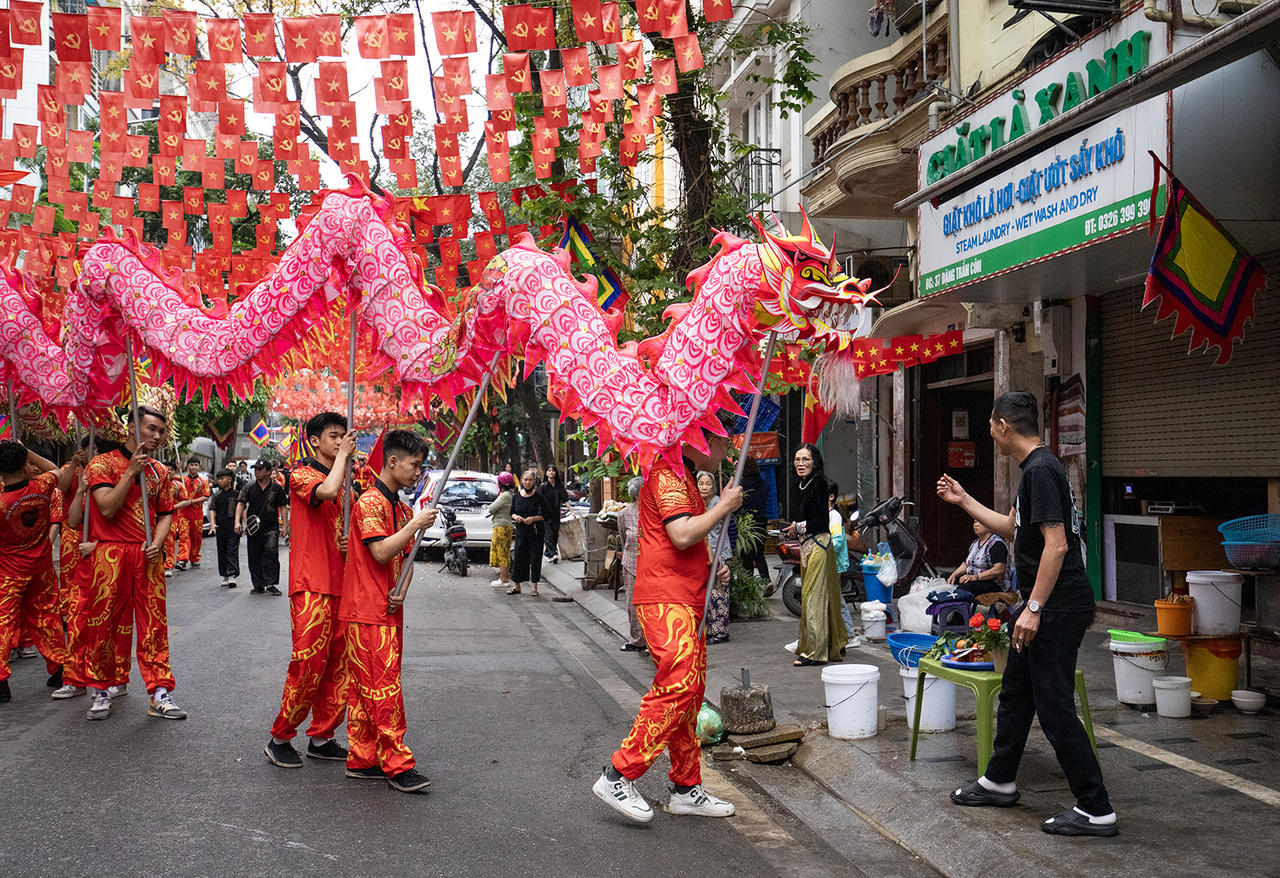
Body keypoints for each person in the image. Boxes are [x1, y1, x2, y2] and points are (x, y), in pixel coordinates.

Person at [937, 390, 1116, 837]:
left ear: (1003, 426)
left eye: (991, 426)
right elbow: (1011, 528)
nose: (990, 433)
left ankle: (1096, 807)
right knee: (1017, 692)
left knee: (1054, 706)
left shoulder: (1040, 471)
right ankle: (999, 781)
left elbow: (1057, 546)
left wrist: (1033, 608)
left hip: (1057, 605)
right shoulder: (1035, 468)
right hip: (1043, 603)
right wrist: (964, 500)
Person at [592, 434, 742, 824]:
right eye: (724, 441)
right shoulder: (668, 473)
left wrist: (711, 566)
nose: (728, 450)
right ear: (702, 440)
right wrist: (723, 506)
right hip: (665, 596)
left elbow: (685, 540)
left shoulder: (683, 475)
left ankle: (686, 787)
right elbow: (681, 534)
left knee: (690, 695)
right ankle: (619, 774)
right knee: (678, 685)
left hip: (685, 596)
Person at [339, 429, 438, 793]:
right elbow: (381, 552)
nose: (418, 472)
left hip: (387, 609)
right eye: (415, 465)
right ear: (392, 462)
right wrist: (415, 524)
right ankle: (397, 764)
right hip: (366, 610)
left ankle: (363, 758)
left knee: (367, 689)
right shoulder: (370, 503)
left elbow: (406, 558)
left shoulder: (402, 507)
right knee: (383, 689)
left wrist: (402, 591)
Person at [79, 406, 185, 721]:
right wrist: (129, 473)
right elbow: (106, 507)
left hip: (147, 555)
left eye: (161, 431)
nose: (157, 436)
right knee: (104, 623)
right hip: (110, 554)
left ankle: (159, 692)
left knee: (154, 624)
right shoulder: (101, 464)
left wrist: (157, 543)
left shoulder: (160, 471)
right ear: (131, 428)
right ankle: (101, 689)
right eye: (151, 429)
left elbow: (166, 514)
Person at [265, 412, 358, 769]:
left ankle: (322, 737)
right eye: (334, 436)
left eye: (343, 436)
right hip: (311, 583)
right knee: (308, 663)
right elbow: (326, 492)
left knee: (338, 666)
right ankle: (280, 737)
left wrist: (350, 543)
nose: (340, 441)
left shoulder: (347, 484)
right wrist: (345, 456)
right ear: (314, 440)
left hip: (341, 583)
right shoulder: (301, 474)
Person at [0, 441, 75, 704]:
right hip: (41, 567)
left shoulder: (2, 502)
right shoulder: (42, 487)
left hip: (9, 572)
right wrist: (25, 451)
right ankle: (60, 668)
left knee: (3, 623)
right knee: (47, 618)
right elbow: (54, 468)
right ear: (25, 465)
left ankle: (1, 681)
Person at [785, 443, 847, 667]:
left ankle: (814, 652)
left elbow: (821, 521)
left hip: (819, 545)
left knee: (813, 597)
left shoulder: (819, 484)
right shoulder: (799, 484)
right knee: (819, 595)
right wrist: (795, 526)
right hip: (806, 546)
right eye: (797, 459)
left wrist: (798, 527)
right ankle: (835, 642)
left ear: (815, 462)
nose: (800, 463)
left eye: (805, 459)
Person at [236, 459, 289, 595]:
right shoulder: (249, 487)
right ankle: (258, 584)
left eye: (260, 469)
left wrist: (285, 526)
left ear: (268, 471)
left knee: (271, 553)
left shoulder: (277, 488)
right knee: (254, 554)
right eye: (256, 469)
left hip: (271, 527)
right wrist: (237, 522)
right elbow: (241, 504)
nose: (257, 472)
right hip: (253, 528)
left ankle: (271, 583)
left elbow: (283, 507)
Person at [697, 470, 732, 644]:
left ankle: (720, 632)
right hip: (703, 553)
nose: (704, 487)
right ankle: (710, 630)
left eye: (708, 484)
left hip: (718, 552)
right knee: (707, 592)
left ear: (713, 487)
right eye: (701, 484)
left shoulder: (719, 503)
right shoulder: (696, 502)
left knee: (719, 592)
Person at [507, 468, 550, 597]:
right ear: (521, 481)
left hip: (536, 533)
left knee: (535, 559)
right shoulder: (516, 497)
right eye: (525, 480)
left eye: (530, 480)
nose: (527, 482)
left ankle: (534, 587)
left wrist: (534, 519)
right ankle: (517, 586)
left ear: (534, 482)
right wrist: (516, 517)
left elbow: (547, 514)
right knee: (519, 558)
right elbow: (511, 512)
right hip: (521, 532)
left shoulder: (539, 497)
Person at [616, 475, 646, 654]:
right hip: (631, 561)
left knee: (650, 603)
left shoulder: (654, 512)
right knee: (632, 603)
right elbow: (623, 538)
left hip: (651, 563)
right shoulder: (624, 514)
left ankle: (652, 640)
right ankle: (637, 640)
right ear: (635, 494)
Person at [947, 518, 1013, 596]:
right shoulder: (975, 543)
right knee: (946, 577)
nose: (975, 525)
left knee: (966, 587)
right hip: (974, 580)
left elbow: (998, 569)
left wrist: (976, 577)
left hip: (992, 583)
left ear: (989, 525)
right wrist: (954, 575)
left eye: (979, 522)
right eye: (974, 522)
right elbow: (966, 564)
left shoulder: (997, 544)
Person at [828, 483, 858, 642]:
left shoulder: (834, 516)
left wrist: (822, 550)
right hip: (829, 562)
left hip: (833, 563)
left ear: (831, 497)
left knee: (836, 599)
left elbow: (838, 541)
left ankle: (849, 634)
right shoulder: (825, 514)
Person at [738, 457, 771, 581]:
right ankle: (766, 580)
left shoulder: (740, 485)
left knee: (746, 554)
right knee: (759, 553)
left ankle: (748, 583)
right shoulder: (764, 484)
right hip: (761, 520)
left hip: (745, 521)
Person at [208, 469, 240, 587]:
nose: (220, 481)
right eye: (219, 479)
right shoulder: (217, 495)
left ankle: (232, 575)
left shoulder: (237, 494)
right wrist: (212, 523)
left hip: (233, 527)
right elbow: (212, 509)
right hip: (220, 527)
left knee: (232, 550)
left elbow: (242, 509)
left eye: (222, 478)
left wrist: (243, 523)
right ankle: (225, 574)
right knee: (222, 551)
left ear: (230, 479)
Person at [488, 471, 516, 590]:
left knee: (502, 552)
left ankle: (504, 579)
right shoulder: (510, 494)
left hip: (502, 526)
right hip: (504, 525)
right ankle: (503, 577)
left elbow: (491, 508)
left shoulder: (505, 496)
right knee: (503, 551)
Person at [180, 458, 209, 568]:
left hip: (197, 514)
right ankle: (182, 559)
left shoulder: (203, 481)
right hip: (183, 513)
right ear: (187, 466)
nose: (194, 467)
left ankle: (195, 557)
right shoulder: (182, 480)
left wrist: (191, 502)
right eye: (191, 465)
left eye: (196, 465)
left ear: (199, 467)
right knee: (183, 536)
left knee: (196, 537)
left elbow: (205, 496)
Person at [538, 465, 569, 563]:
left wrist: (571, 511)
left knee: (555, 534)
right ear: (546, 473)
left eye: (553, 470)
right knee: (548, 534)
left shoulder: (560, 486)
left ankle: (548, 553)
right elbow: (538, 500)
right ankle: (554, 553)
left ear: (555, 473)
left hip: (556, 513)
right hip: (545, 514)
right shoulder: (543, 486)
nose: (551, 472)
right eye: (549, 471)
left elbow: (565, 499)